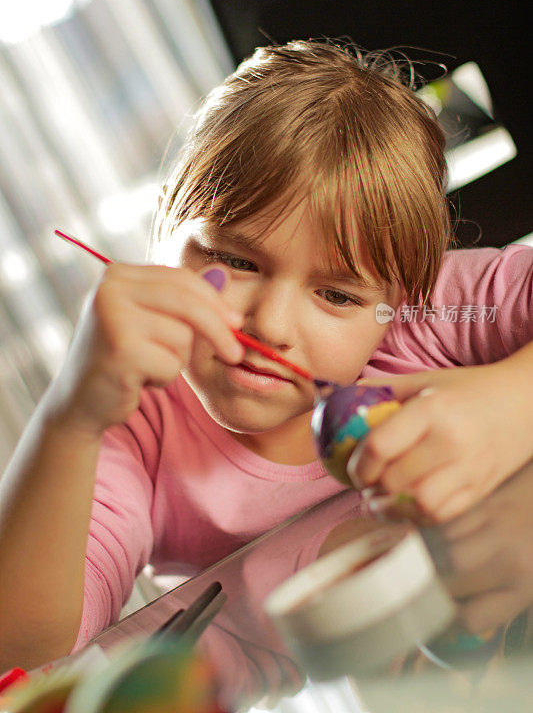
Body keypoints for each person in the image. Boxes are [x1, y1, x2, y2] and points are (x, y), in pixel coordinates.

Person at [0, 40, 532, 671]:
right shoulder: (136, 429)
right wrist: (71, 418)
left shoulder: (427, 314)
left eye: (336, 294)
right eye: (233, 260)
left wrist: (510, 408)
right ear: (164, 227)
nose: (272, 326)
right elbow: (22, 646)